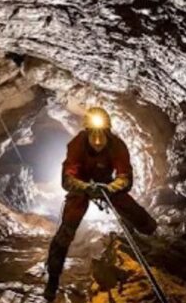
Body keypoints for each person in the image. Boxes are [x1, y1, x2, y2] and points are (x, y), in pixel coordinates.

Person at [43, 107, 158, 302]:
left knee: (131, 209)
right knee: (67, 227)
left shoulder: (117, 146)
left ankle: (151, 234)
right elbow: (67, 179)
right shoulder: (77, 144)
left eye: (101, 133)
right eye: (93, 133)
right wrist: (85, 187)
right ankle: (53, 277)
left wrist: (111, 188)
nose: (97, 140)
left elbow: (125, 178)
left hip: (106, 183)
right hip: (82, 187)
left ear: (108, 132)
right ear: (86, 131)